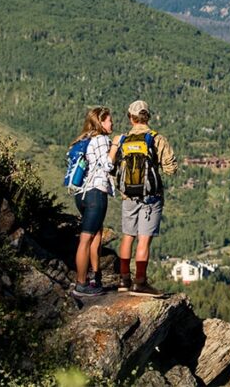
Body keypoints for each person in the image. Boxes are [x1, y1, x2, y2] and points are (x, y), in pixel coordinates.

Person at [110, 100, 177, 296]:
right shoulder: (156, 139)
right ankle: (140, 281)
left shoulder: (121, 139)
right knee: (144, 240)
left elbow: (112, 167)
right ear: (147, 116)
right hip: (151, 197)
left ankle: (123, 279)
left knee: (127, 236)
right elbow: (171, 168)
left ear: (130, 118)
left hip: (128, 196)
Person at [70, 106, 115, 298]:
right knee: (86, 239)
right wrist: (115, 146)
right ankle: (81, 284)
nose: (112, 123)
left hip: (81, 194)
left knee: (96, 235)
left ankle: (95, 277)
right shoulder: (102, 140)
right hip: (96, 193)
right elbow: (107, 165)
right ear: (101, 122)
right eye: (109, 120)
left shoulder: (83, 140)